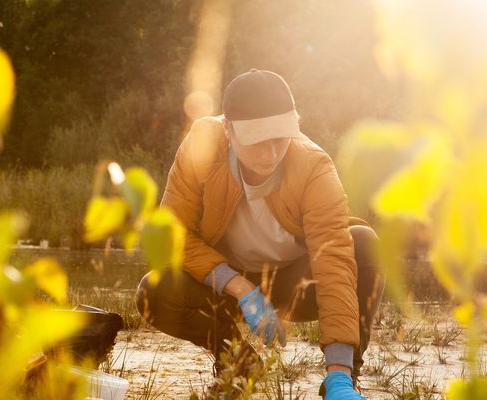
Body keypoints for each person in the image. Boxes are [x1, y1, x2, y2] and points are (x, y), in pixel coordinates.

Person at [135, 69, 384, 399]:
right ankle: (238, 362)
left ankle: (343, 382)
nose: (270, 154)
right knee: (154, 290)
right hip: (228, 284)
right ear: (229, 130)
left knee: (364, 246)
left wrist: (339, 373)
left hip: (296, 285)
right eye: (257, 142)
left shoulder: (314, 167)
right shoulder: (203, 146)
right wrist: (240, 289)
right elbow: (172, 233)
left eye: (279, 139)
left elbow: (334, 264)